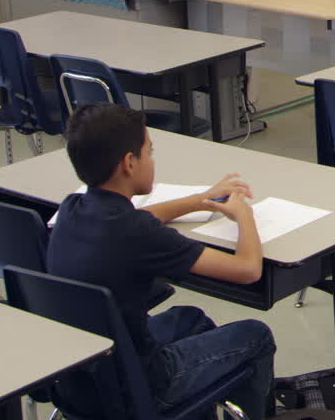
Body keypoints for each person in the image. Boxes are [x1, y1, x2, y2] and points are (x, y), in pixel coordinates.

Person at [47, 103, 275, 418]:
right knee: (257, 335)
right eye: (149, 152)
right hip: (141, 390)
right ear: (129, 163)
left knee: (190, 318)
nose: (152, 161)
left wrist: (201, 199)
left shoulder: (72, 208)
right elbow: (248, 269)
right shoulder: (138, 234)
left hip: (84, 379)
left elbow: (141, 217)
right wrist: (243, 215)